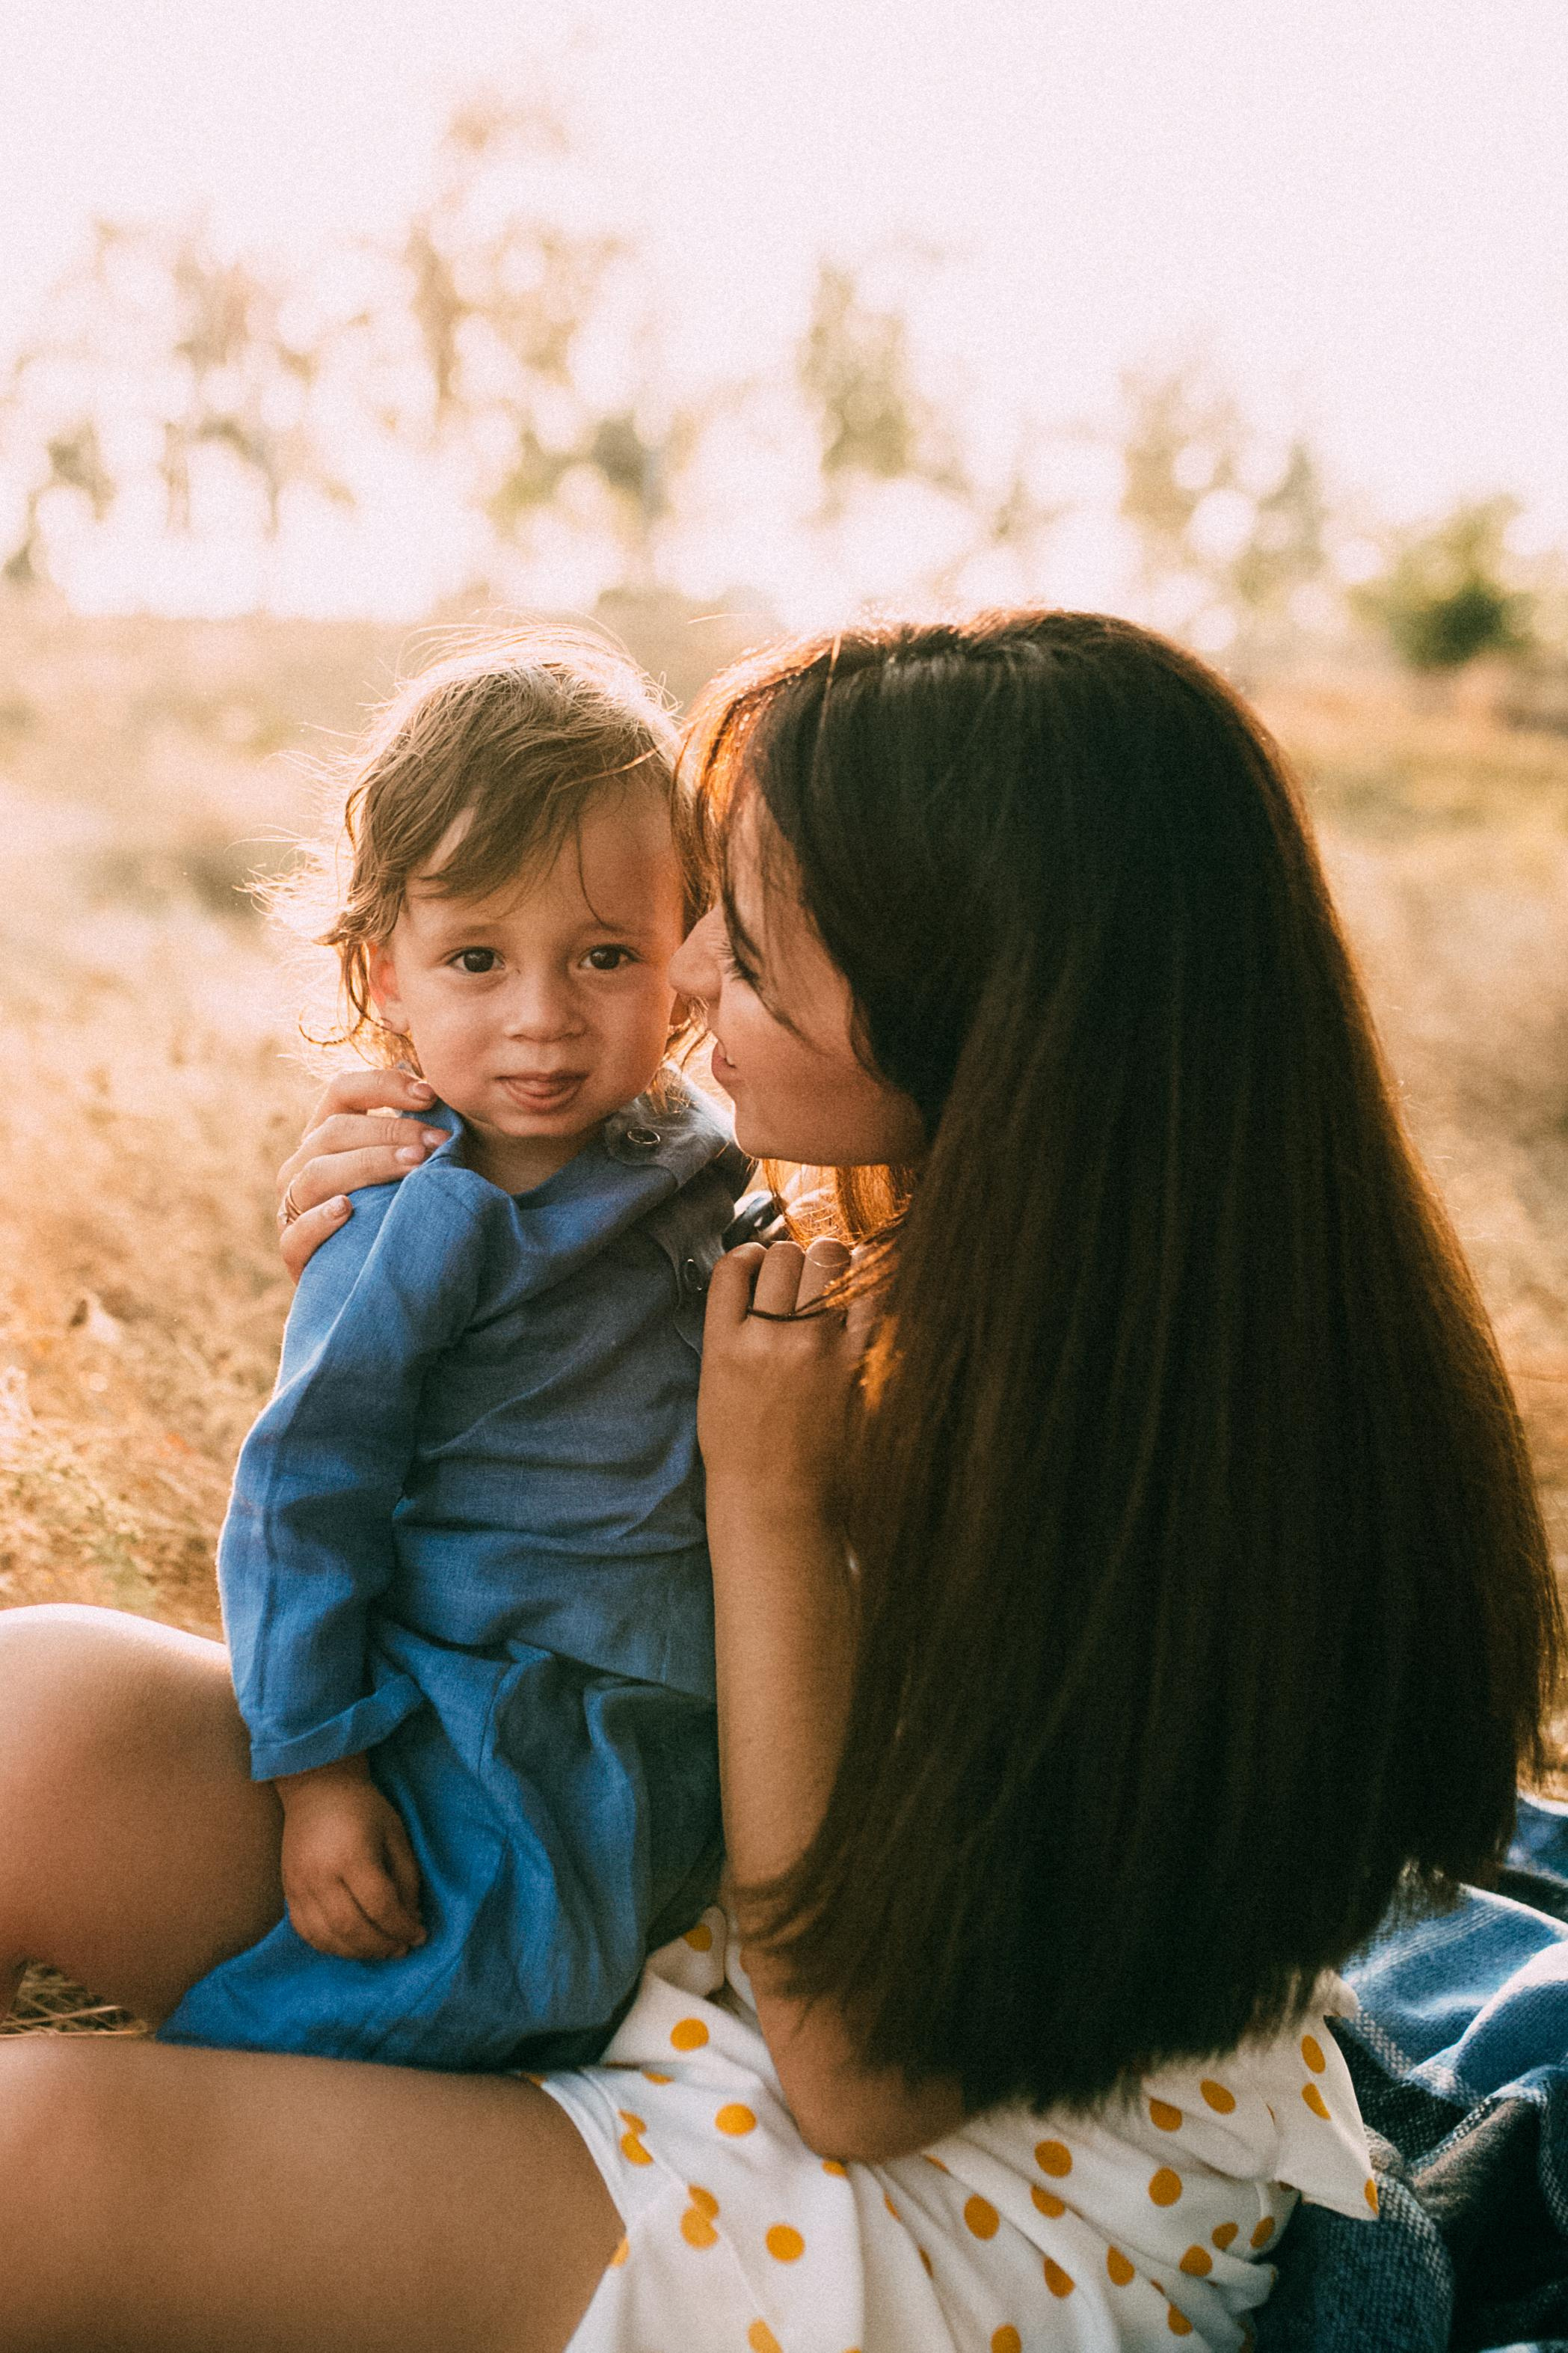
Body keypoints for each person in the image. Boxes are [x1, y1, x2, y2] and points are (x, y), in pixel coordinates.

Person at [0, 610, 1557, 2353]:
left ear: (959, 993)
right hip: (651, 1895)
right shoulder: (947, 1223)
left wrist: (768, 1501)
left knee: (34, 2163)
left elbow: (855, 2075)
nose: (678, 977)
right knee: (25, 1710)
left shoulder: (1182, 1468)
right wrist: (434, 1222)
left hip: (958, 2178)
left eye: (737, 946)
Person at [160, 631, 745, 2073]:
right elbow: (303, 1495)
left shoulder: (702, 1157)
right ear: (388, 973)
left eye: (605, 955)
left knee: (631, 1973)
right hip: (489, 1714)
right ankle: (222, 2121)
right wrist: (319, 1776)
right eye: (476, 959)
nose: (543, 1017)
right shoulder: (408, 1213)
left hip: (684, 1704)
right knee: (464, 1989)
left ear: (685, 955)